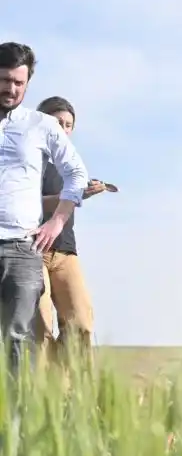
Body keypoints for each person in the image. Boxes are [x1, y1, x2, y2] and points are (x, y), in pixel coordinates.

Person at [0, 43, 89, 382]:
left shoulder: (41, 125)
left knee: (19, 338)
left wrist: (57, 220)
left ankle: (15, 426)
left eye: (18, 83)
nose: (10, 89)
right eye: (5, 80)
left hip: (22, 248)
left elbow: (76, 174)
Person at [34, 96, 110, 369]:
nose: (63, 129)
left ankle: (73, 395)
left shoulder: (70, 164)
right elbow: (21, 202)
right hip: (32, 250)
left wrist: (85, 190)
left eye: (68, 125)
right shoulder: (28, 159)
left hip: (66, 250)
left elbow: (72, 193)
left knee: (81, 323)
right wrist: (70, 196)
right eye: (58, 122)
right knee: (39, 329)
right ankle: (42, 400)